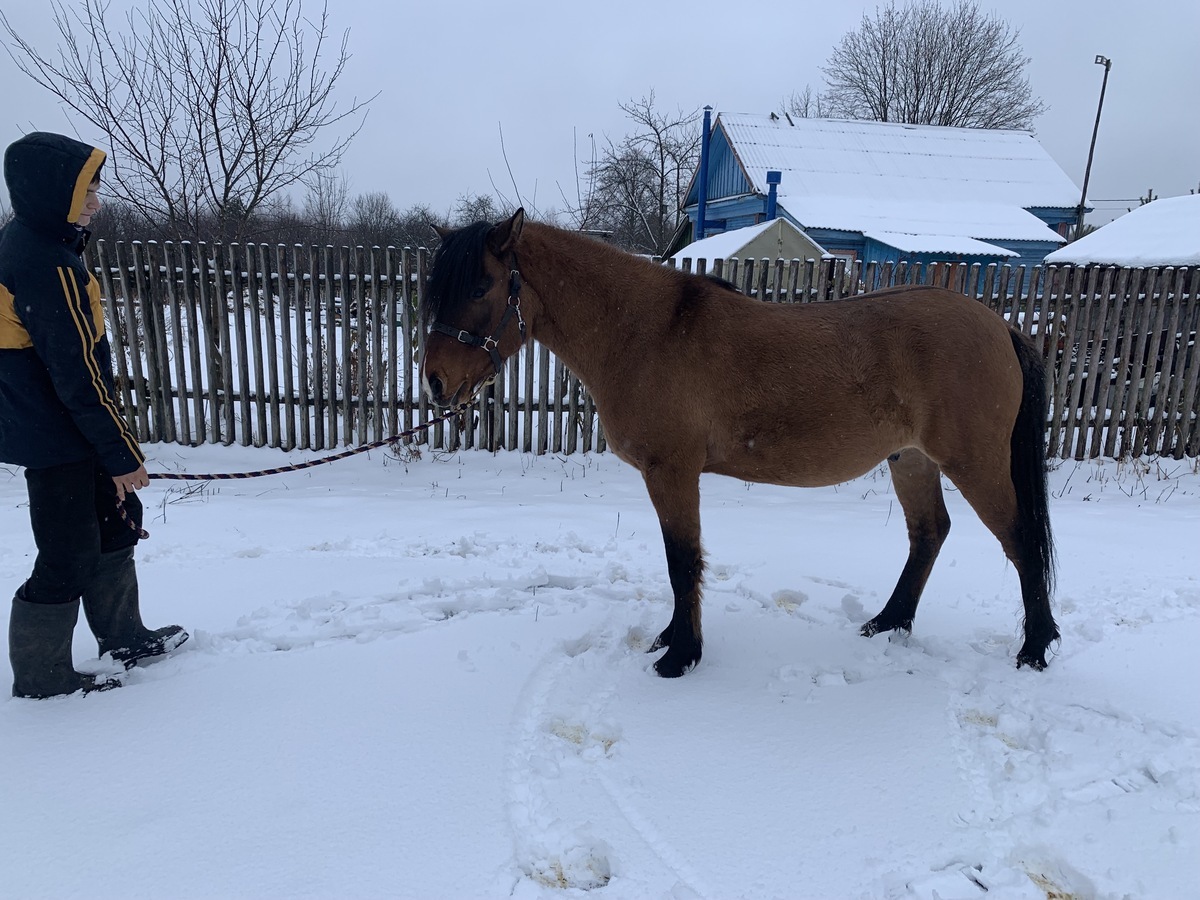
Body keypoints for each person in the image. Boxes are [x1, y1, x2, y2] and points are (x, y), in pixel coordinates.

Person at [0, 131, 188, 699]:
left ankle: (124, 636)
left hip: (63, 427)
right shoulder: (45, 264)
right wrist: (121, 456)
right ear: (53, 193)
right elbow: (78, 375)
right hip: (54, 436)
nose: (97, 202)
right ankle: (42, 677)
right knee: (67, 552)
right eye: (87, 190)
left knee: (111, 527)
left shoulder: (32, 242)